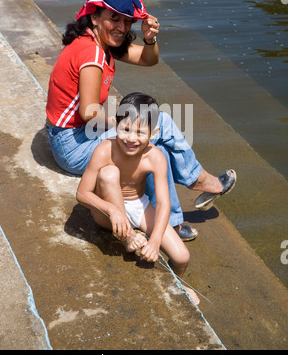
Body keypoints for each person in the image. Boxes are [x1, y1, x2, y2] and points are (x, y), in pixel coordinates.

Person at [45, 0, 236, 242]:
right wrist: (123, 123)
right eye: (115, 19)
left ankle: (174, 218)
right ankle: (196, 184)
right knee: (159, 124)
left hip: (77, 135)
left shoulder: (100, 42)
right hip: (73, 146)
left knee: (156, 146)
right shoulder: (91, 54)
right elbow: (89, 112)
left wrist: (150, 38)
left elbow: (149, 59)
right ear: (95, 16)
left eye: (127, 21)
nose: (122, 28)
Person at [76, 92, 200, 305]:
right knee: (108, 174)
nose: (131, 138)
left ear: (154, 133)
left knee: (182, 257)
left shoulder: (155, 157)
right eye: (125, 129)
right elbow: (82, 193)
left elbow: (163, 203)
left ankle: (176, 285)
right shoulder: (105, 149)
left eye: (140, 133)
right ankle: (127, 238)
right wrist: (113, 210)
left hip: (138, 204)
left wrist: (154, 241)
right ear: (116, 125)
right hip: (106, 212)